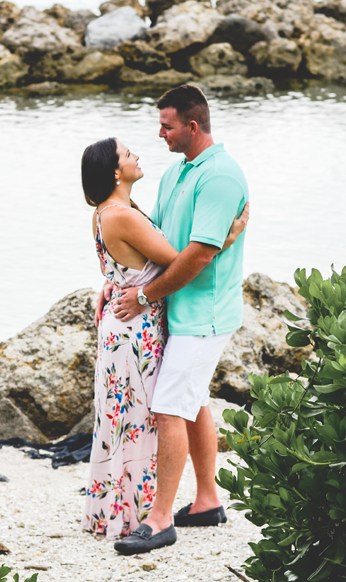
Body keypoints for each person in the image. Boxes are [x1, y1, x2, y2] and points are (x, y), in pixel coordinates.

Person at [80, 137, 248, 540]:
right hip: (135, 327)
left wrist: (113, 284)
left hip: (128, 322)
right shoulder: (123, 215)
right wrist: (226, 238)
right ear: (116, 172)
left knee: (173, 404)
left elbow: (131, 262)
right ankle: (141, 514)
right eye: (126, 153)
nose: (136, 154)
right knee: (141, 415)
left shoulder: (114, 212)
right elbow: (178, 260)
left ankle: (196, 500)